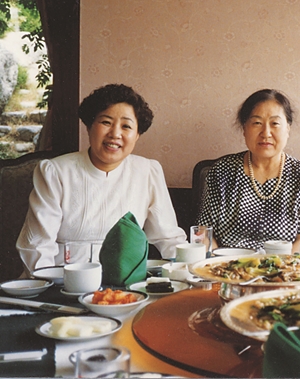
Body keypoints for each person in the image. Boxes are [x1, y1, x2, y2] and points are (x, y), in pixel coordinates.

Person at [17, 84, 187, 273]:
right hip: (63, 279)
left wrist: (193, 269)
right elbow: (38, 245)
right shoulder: (55, 172)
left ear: (137, 135)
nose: (115, 134)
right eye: (106, 122)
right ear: (89, 126)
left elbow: (169, 238)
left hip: (127, 285)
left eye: (126, 126)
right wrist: (49, 284)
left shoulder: (147, 171)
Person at [196, 89, 300, 253]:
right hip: (229, 270)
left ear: (288, 128)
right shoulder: (221, 172)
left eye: (275, 123)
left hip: (284, 271)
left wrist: (282, 273)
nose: (266, 133)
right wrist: (218, 267)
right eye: (257, 123)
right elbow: (204, 233)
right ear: (244, 128)